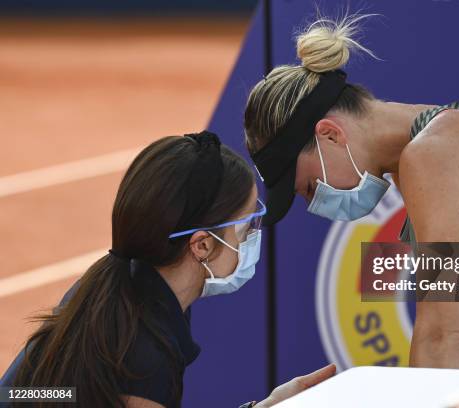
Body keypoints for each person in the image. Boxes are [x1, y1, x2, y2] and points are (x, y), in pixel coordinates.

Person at [243, 14, 459, 370]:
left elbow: (445, 336)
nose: (315, 203)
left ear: (331, 135)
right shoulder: (440, 137)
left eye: (309, 188)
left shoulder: (433, 155)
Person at [0, 131, 334, 408]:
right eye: (247, 225)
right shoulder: (145, 359)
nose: (253, 237)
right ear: (201, 245)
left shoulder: (119, 281)